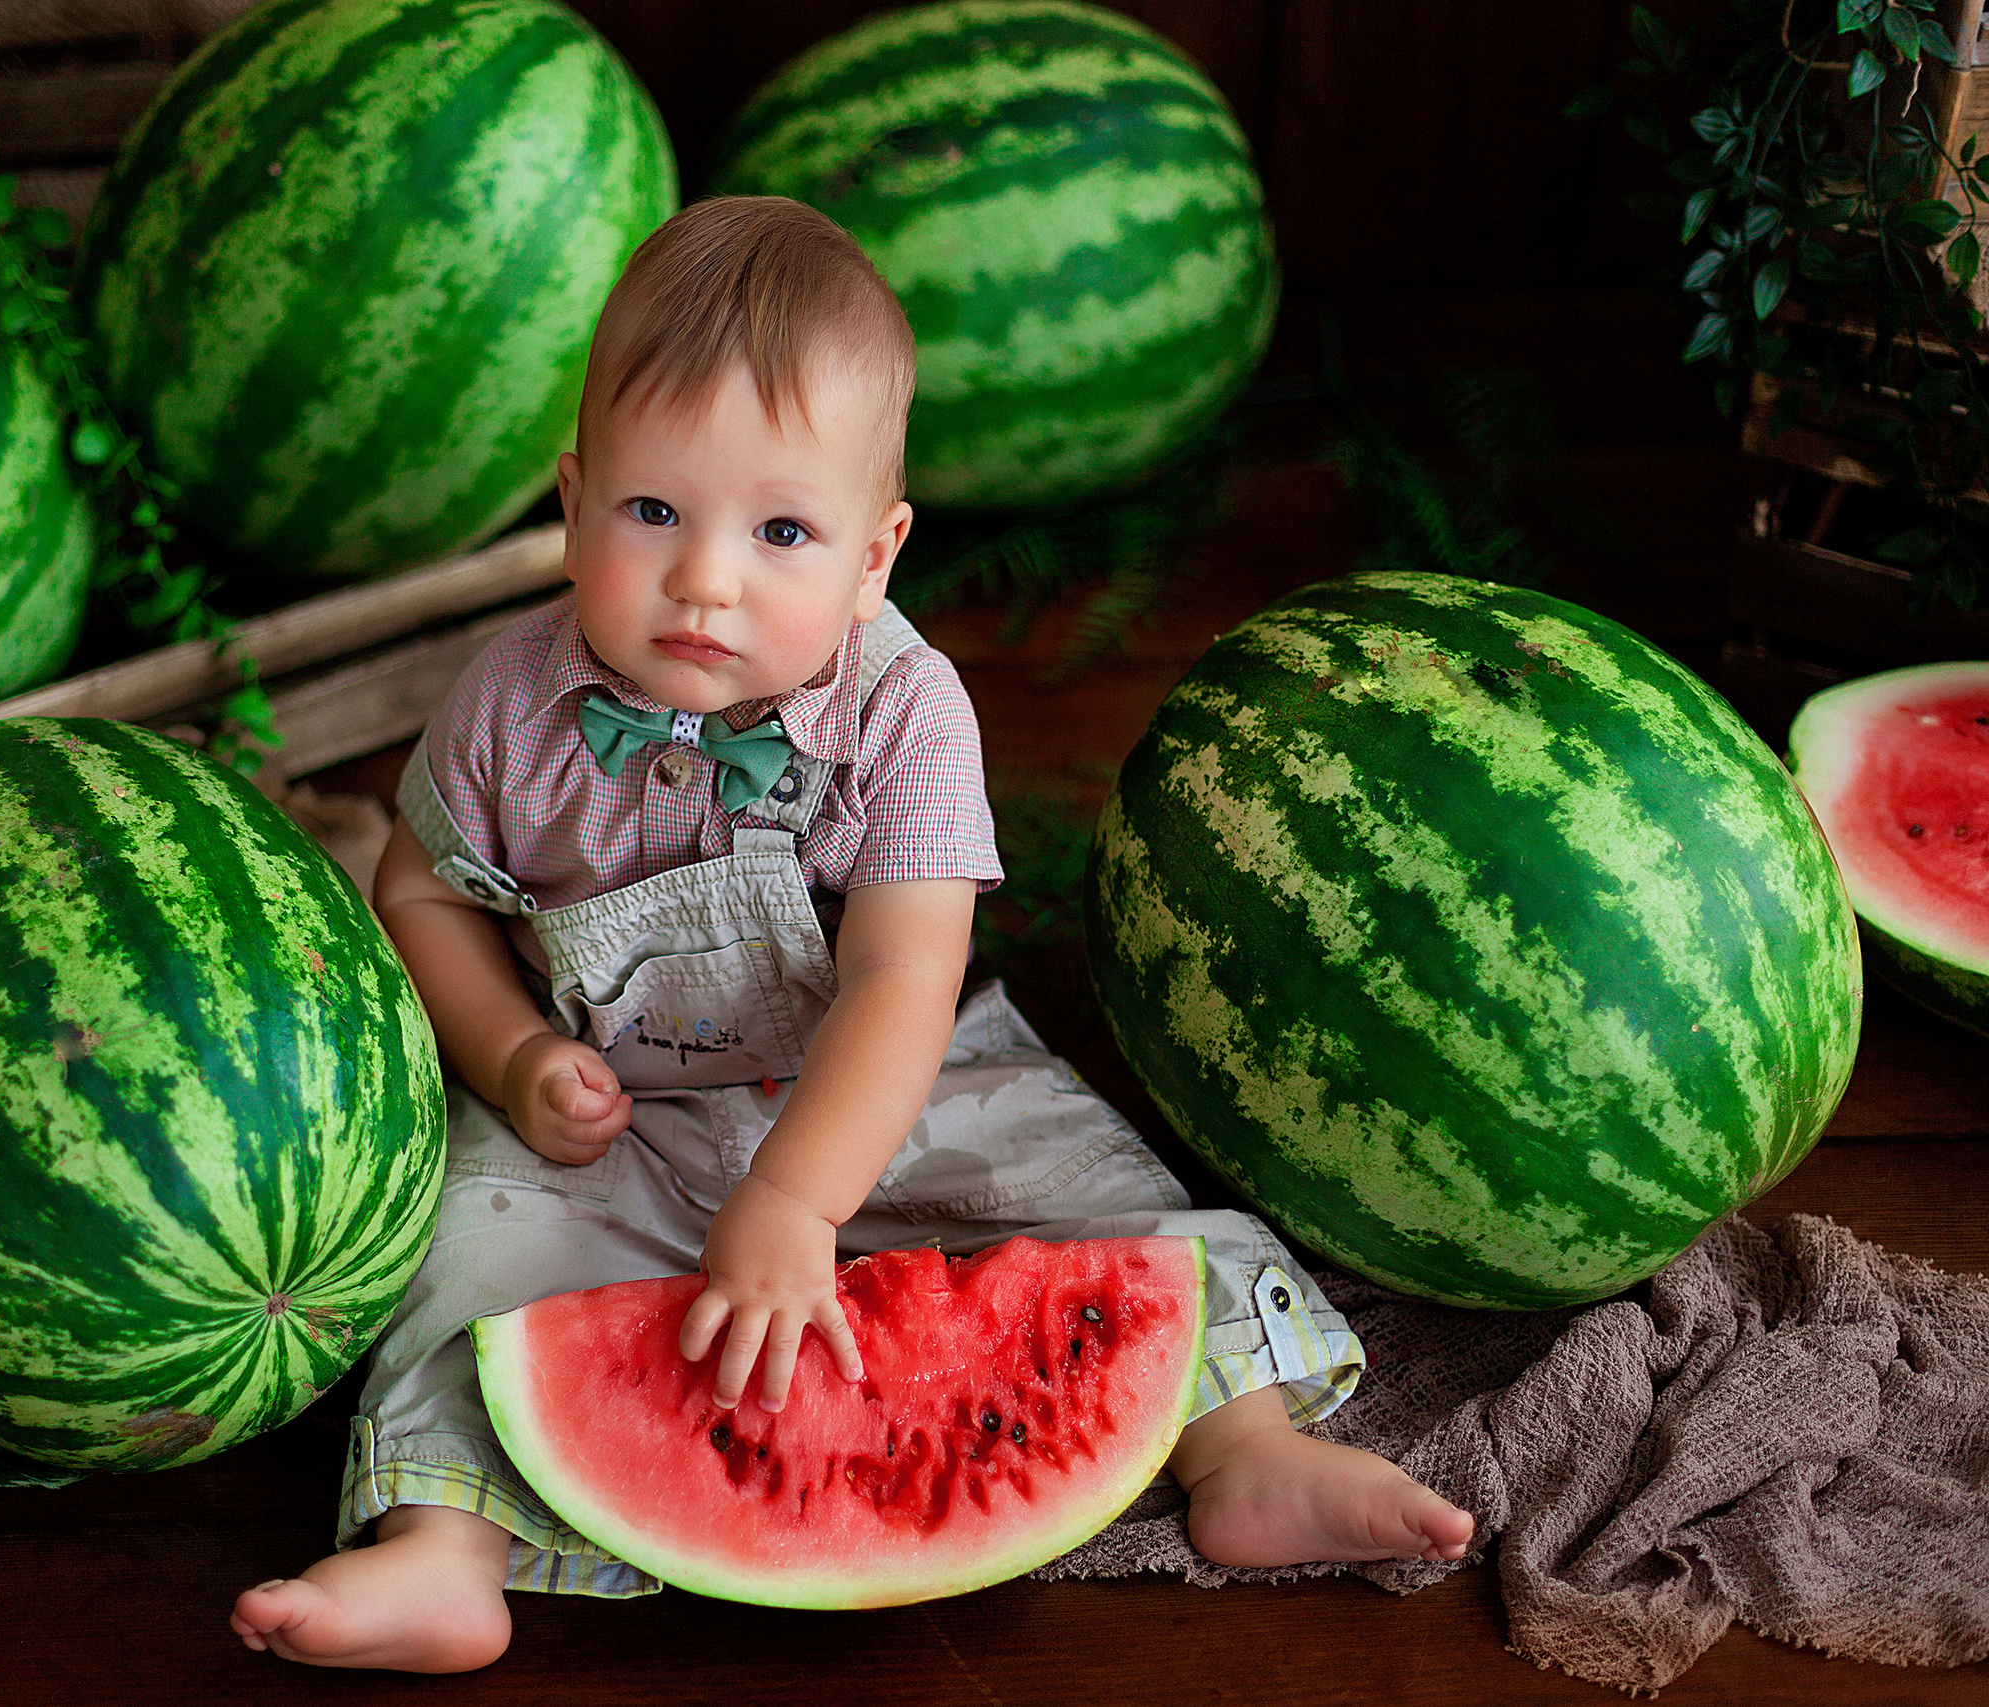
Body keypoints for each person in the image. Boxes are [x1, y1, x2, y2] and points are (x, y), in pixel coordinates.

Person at [232, 196, 1473, 1673]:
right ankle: (440, 1551)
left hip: (892, 1090)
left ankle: (1245, 1451)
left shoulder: (904, 711)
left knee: (1112, 1203)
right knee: (463, 1267)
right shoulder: (510, 702)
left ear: (875, 556)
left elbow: (902, 974)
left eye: (780, 531)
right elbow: (423, 898)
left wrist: (804, 1199)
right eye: (651, 514)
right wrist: (506, 1060)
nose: (706, 578)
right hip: (606, 1109)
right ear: (570, 504)